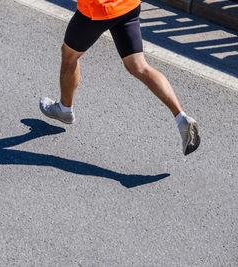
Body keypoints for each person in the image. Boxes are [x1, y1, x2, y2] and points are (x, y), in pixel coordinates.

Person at [39, 0, 200, 155]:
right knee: (139, 66)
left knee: (69, 55)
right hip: (128, 6)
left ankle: (65, 109)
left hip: (98, 9)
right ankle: (182, 118)